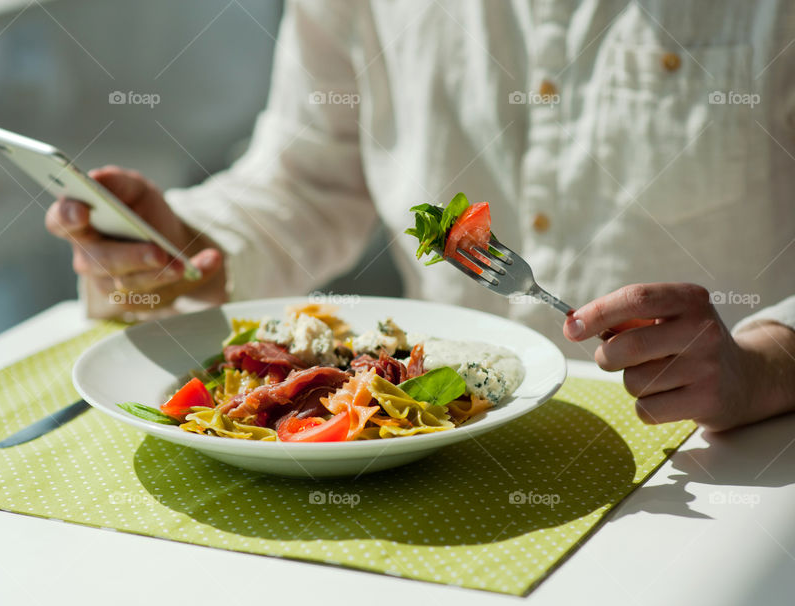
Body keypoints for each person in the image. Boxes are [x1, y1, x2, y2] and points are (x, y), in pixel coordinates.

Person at [45, 0, 795, 431]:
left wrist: (763, 365)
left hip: (729, 461)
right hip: (428, 449)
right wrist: (176, 245)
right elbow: (303, 181)